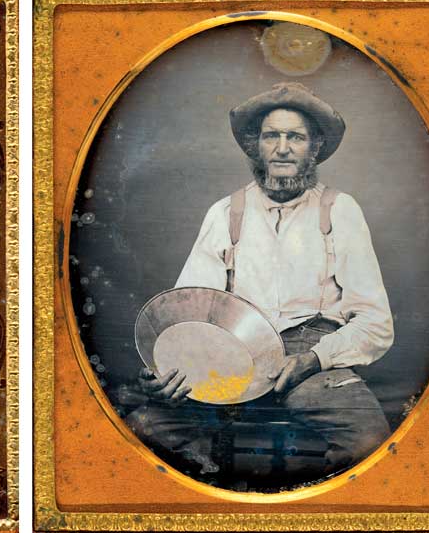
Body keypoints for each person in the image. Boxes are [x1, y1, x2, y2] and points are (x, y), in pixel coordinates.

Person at [126, 82, 394, 481]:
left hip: (312, 359)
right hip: (231, 359)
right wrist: (165, 367)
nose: (283, 148)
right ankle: (222, 494)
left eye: (296, 137)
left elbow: (375, 323)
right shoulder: (225, 212)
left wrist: (314, 360)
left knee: (370, 442)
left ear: (315, 147)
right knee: (142, 427)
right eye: (272, 136)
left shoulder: (339, 210)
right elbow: (186, 314)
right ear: (256, 146)